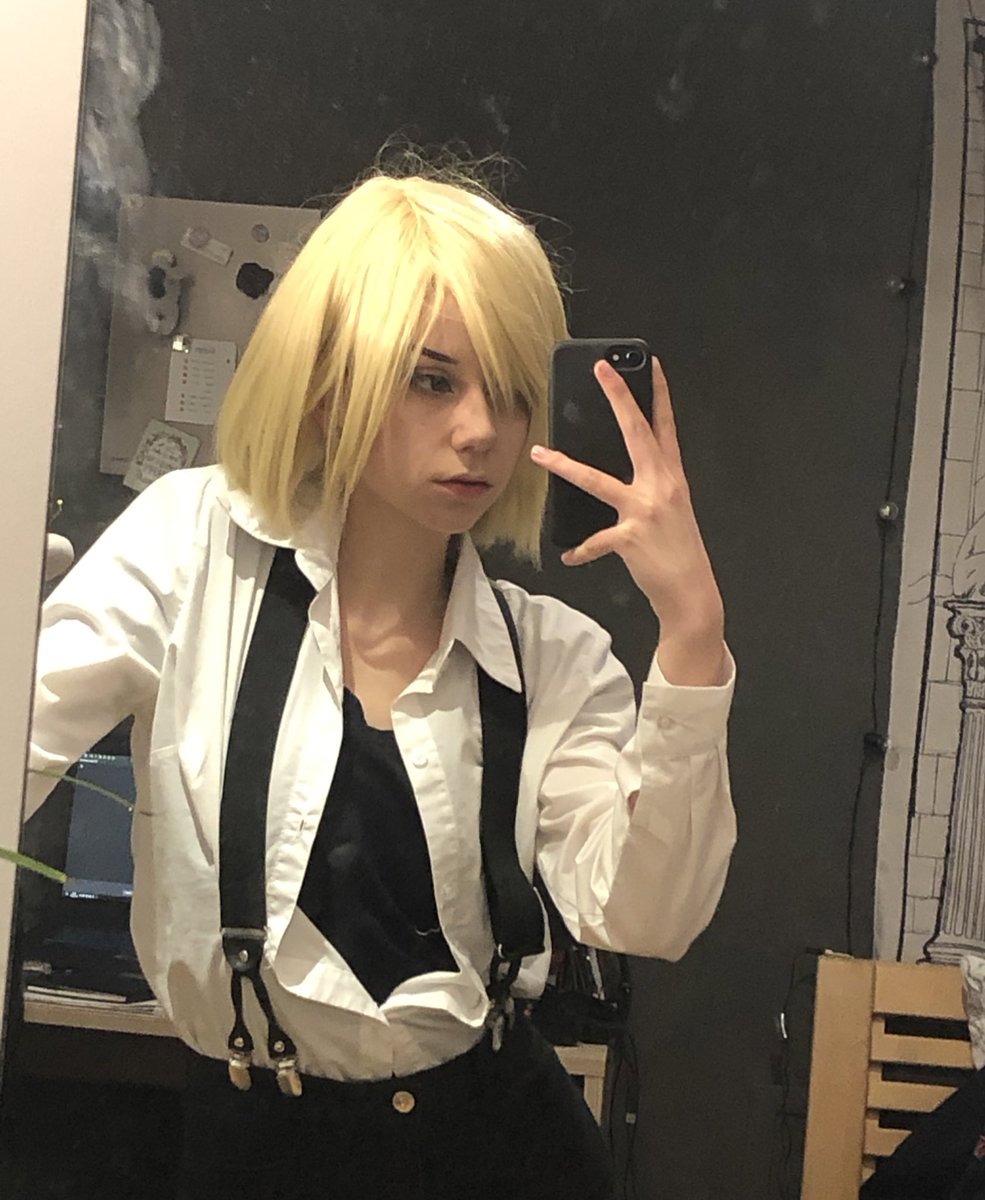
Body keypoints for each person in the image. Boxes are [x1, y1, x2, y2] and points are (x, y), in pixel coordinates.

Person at [24, 164, 736, 1200]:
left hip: (506, 1152)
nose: (481, 430)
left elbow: (647, 917)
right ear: (327, 379)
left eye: (511, 391)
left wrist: (694, 636)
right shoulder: (190, 550)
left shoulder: (550, 655)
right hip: (252, 1150)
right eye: (431, 380)